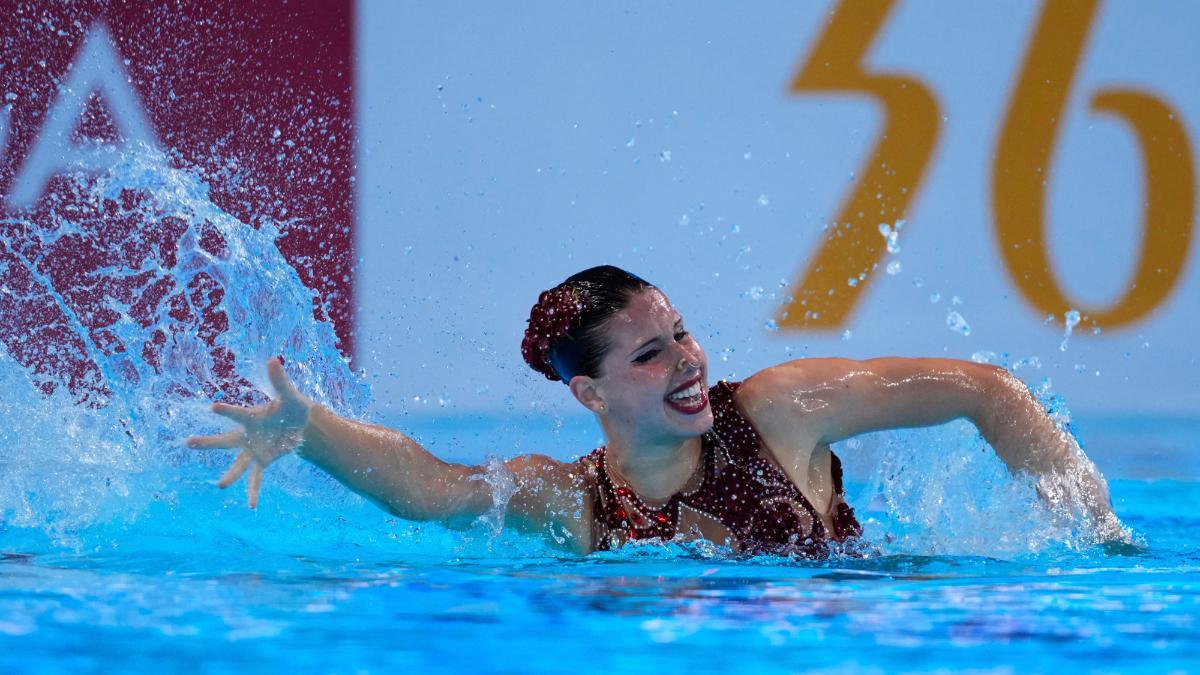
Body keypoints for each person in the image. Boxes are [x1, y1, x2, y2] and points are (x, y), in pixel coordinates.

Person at [187, 265, 1122, 555]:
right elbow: (434, 486)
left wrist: (1095, 528)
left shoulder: (779, 412)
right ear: (589, 393)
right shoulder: (576, 502)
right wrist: (308, 431)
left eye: (682, 332)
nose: (689, 362)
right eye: (651, 352)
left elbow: (985, 392)